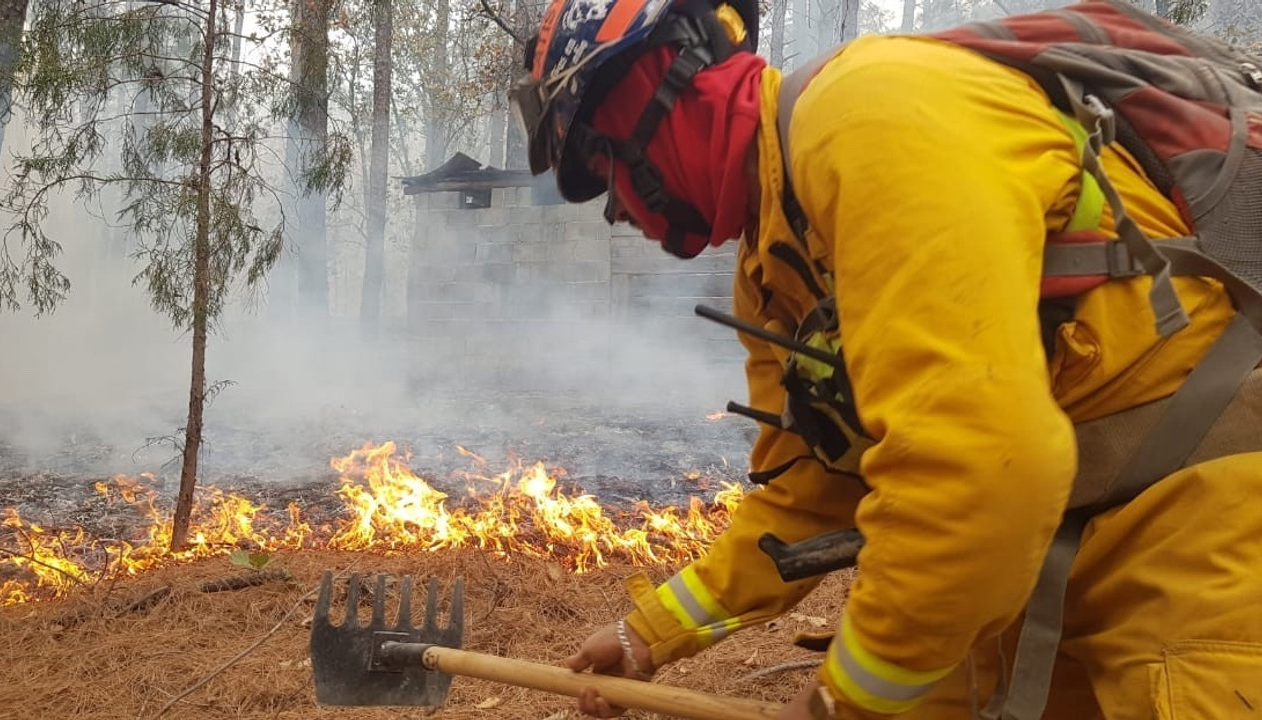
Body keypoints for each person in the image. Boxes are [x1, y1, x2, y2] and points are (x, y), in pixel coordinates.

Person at [511, 0, 1262, 717]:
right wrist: (646, 638)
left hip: (1193, 533)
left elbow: (982, 471)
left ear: (664, 85)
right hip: (1041, 552)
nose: (616, 208)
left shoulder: (871, 118)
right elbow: (810, 493)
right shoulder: (774, 261)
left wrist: (838, 704)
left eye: (600, 168)